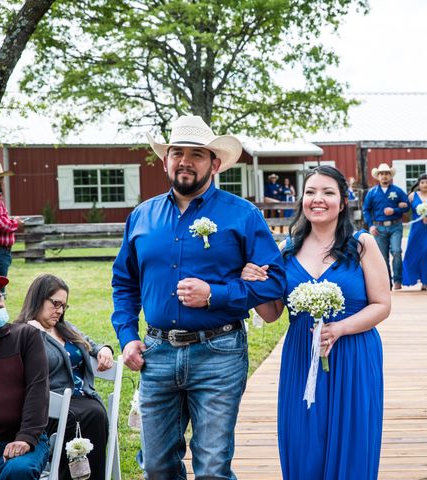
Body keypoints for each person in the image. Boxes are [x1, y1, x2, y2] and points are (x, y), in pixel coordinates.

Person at [111, 115, 286, 479]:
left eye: (197, 154)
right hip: (156, 355)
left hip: (218, 354)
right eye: (177, 152)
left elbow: (273, 284)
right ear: (166, 160)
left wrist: (215, 295)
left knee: (212, 468)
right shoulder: (142, 216)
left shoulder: (243, 215)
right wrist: (127, 337)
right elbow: (124, 283)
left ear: (215, 163)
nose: (185, 161)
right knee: (157, 467)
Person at [241, 165, 390, 479]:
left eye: (328, 192)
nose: (317, 199)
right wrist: (253, 285)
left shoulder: (362, 244)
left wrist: (339, 328)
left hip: (354, 354)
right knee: (304, 437)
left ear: (343, 200)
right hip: (301, 354)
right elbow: (272, 314)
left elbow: (382, 305)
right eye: (310, 192)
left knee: (353, 437)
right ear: (301, 199)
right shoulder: (285, 251)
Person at [15, 274, 114, 480]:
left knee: (95, 414)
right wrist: (37, 331)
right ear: (38, 299)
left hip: (83, 398)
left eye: (64, 306)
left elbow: (88, 343)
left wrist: (103, 349)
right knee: (89, 416)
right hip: (50, 407)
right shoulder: (23, 333)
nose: (59, 310)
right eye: (56, 303)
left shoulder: (65, 328)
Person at [0, 272, 49, 480]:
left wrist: (26, 437)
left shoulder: (25, 337)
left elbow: (38, 390)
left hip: (20, 438)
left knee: (19, 471)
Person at [362, 163, 410, 290]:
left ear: (391, 176)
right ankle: (386, 282)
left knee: (397, 252)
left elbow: (407, 206)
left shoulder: (397, 191)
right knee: (382, 257)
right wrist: (371, 226)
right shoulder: (372, 193)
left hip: (395, 226)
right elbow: (366, 210)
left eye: (387, 174)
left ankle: (398, 281)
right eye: (382, 174)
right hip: (379, 229)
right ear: (378, 177)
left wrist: (394, 210)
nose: (384, 176)